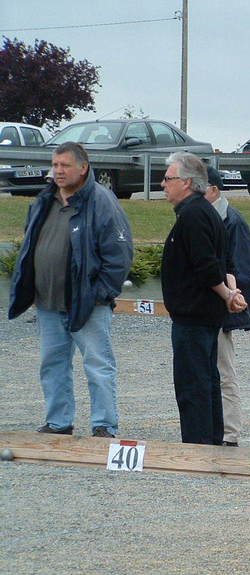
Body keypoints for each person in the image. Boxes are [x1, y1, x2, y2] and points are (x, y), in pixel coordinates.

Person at [8, 142, 133, 438]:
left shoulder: (102, 202)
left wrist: (99, 294)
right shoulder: (44, 201)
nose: (59, 171)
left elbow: (120, 255)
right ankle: (58, 421)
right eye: (55, 165)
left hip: (88, 304)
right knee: (52, 364)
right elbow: (30, 245)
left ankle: (104, 425)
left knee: (98, 365)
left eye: (65, 165)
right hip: (48, 303)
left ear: (83, 167)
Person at [160, 152, 247, 445]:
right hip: (202, 315)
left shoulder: (194, 215)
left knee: (193, 385)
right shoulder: (203, 211)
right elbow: (221, 263)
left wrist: (227, 294)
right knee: (207, 381)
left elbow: (208, 265)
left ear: (186, 182)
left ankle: (198, 447)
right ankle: (209, 441)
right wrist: (231, 293)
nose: (163, 184)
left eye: (168, 178)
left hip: (194, 316)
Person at [204, 166, 250, 447]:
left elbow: (243, 267)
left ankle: (229, 432)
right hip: (206, 306)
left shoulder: (232, 221)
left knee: (224, 371)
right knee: (209, 370)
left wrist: (231, 297)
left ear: (214, 190)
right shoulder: (206, 218)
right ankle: (213, 427)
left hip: (224, 305)